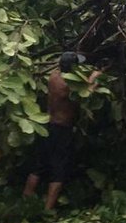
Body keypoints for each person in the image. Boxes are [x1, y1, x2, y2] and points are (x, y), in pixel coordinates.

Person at [23, 52, 100, 210]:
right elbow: (86, 91)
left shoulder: (53, 76)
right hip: (61, 130)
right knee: (59, 170)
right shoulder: (66, 86)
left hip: (46, 125)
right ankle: (47, 211)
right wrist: (95, 76)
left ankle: (25, 202)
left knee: (38, 166)